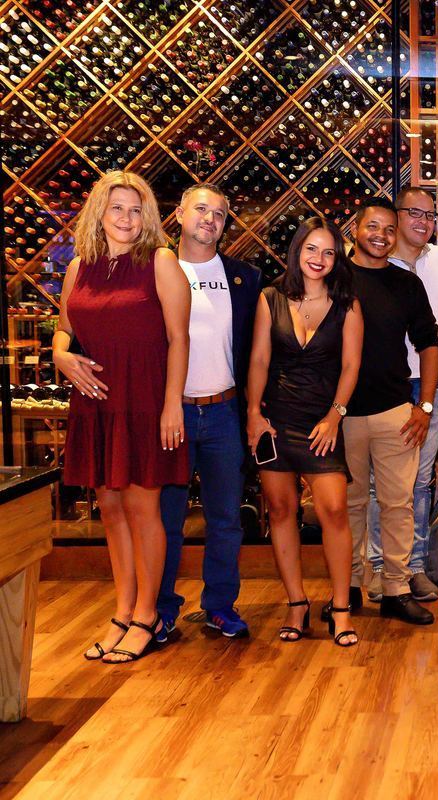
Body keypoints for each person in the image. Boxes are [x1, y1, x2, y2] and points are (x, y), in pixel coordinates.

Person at [55, 170, 190, 663]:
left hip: (144, 400)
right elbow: (65, 329)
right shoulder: (79, 267)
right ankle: (122, 611)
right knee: (109, 511)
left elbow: (179, 339)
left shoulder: (161, 261)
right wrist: (60, 355)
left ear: (147, 216)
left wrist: (172, 404)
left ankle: (147, 616)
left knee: (142, 510)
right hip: (95, 403)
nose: (127, 218)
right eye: (117, 208)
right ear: (99, 212)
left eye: (136, 210)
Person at [245, 217, 364, 647]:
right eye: (312, 249)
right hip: (275, 420)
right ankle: (297, 604)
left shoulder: (348, 304)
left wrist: (335, 416)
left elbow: (350, 366)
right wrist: (253, 413)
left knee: (334, 510)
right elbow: (259, 360)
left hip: (322, 422)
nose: (319, 258)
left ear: (337, 260)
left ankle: (341, 608)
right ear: (297, 251)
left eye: (329, 252)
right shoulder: (270, 298)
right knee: (280, 510)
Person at [155, 183, 261, 641]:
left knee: (225, 519)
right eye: (201, 209)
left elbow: (256, 351)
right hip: (170, 414)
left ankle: (219, 605)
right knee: (166, 521)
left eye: (218, 214)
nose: (209, 220)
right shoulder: (156, 271)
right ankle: (160, 608)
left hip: (223, 413)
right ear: (179, 214)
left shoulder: (244, 278)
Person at [344, 198, 438, 625]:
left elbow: (429, 344)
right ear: (355, 228)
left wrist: (425, 406)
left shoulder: (406, 285)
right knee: (347, 506)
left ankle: (396, 590)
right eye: (373, 226)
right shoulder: (333, 278)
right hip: (340, 416)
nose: (380, 236)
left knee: (398, 506)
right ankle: (347, 587)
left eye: (387, 229)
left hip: (394, 412)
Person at [382, 187, 438, 602]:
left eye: (430, 215)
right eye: (414, 212)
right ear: (396, 215)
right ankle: (381, 569)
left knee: (421, 482)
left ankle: (414, 568)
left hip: (434, 383)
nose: (423, 221)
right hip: (386, 386)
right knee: (381, 484)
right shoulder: (375, 260)